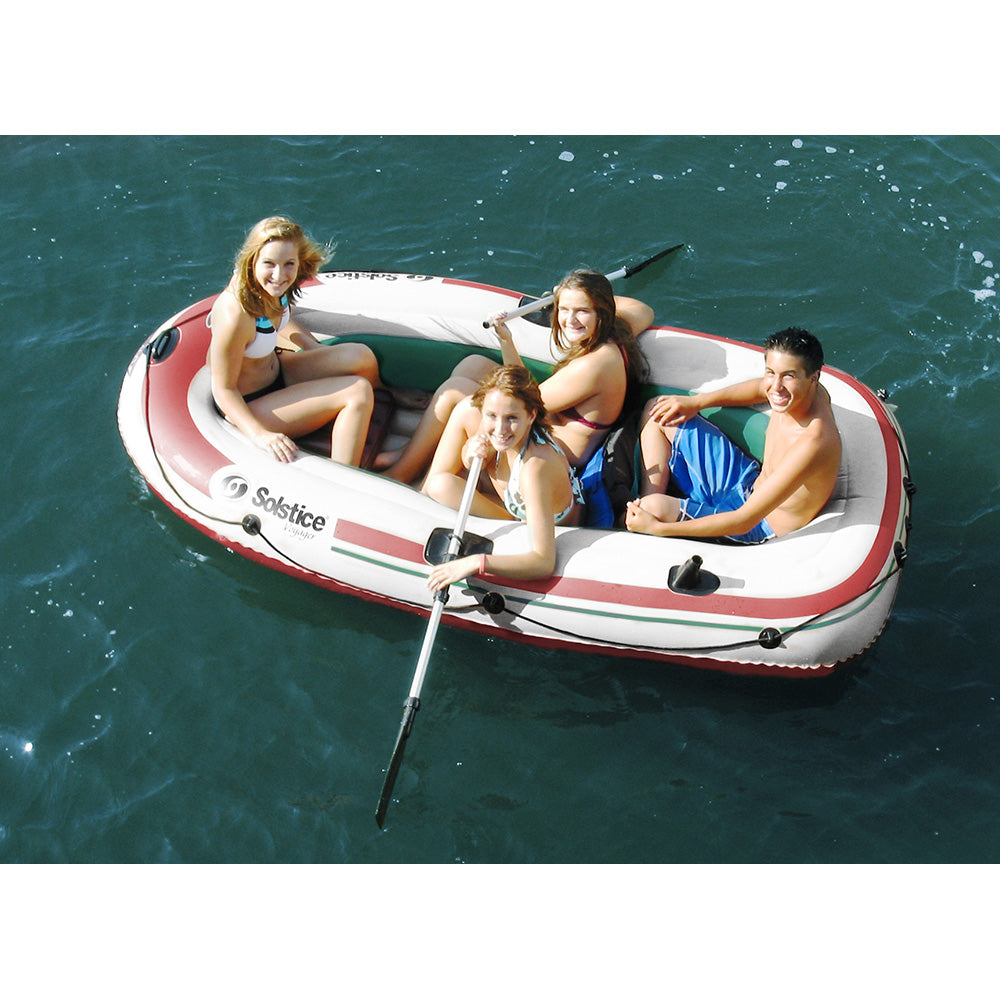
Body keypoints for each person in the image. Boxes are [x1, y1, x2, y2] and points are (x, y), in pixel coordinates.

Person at [378, 269, 653, 484]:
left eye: (582, 310)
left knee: (459, 399)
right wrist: (574, 293)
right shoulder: (617, 328)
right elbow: (644, 309)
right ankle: (412, 454)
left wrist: (506, 341)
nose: (570, 319)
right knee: (473, 366)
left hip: (561, 450)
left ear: (602, 312)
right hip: (554, 421)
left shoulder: (595, 365)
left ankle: (409, 476)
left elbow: (524, 400)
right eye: (564, 309)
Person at [624, 327, 841, 543]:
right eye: (771, 372)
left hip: (757, 525)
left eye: (788, 376)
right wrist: (696, 402)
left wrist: (658, 528)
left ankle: (645, 516)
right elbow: (760, 389)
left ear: (813, 378)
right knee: (659, 411)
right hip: (747, 483)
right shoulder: (799, 392)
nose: (776, 386)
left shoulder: (813, 442)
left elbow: (744, 520)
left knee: (653, 509)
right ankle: (644, 502)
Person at [208, 216, 377, 466]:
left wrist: (313, 349)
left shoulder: (273, 287)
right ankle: (343, 476)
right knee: (357, 392)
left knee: (360, 356)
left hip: (279, 371)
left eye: (289, 264)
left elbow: (277, 318)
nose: (279, 275)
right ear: (252, 260)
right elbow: (223, 389)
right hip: (252, 405)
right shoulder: (235, 314)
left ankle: (384, 398)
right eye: (269, 263)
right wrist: (260, 435)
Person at [424, 366, 584, 591]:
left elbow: (544, 562)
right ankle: (417, 494)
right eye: (491, 415)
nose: (500, 429)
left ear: (531, 416)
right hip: (510, 499)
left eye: (511, 418)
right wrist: (469, 453)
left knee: (441, 487)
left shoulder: (534, 469)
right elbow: (474, 459)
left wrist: (476, 562)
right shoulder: (501, 432)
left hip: (529, 519)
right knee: (440, 482)